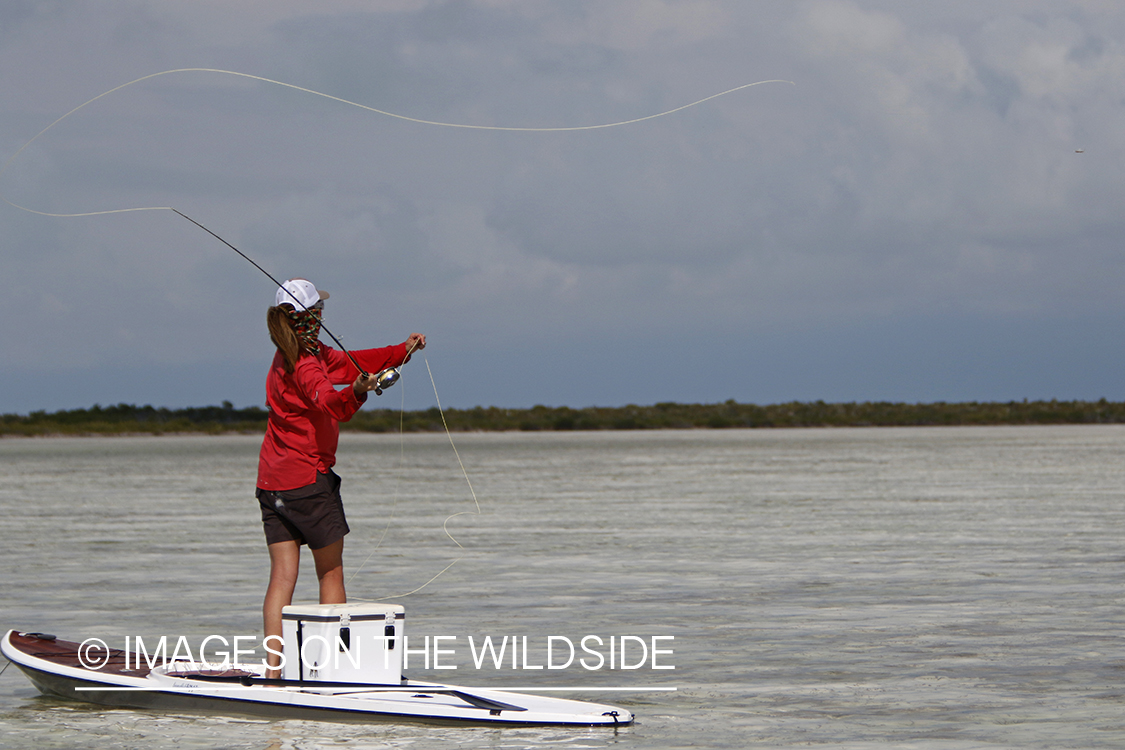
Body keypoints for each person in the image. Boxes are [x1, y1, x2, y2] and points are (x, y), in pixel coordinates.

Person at [256, 277, 425, 676]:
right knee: (330, 571)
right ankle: (334, 672)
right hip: (307, 484)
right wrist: (357, 393)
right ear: (312, 317)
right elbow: (330, 400)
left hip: (271, 483)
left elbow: (354, 362)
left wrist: (402, 350)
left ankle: (274, 673)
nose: (323, 316)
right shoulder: (306, 364)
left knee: (281, 577)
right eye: (321, 311)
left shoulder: (289, 356)